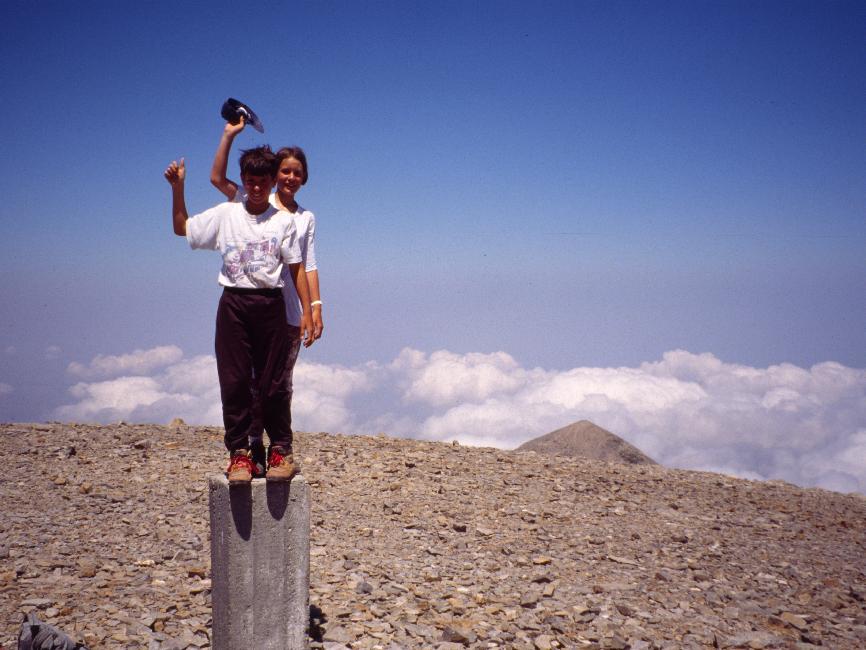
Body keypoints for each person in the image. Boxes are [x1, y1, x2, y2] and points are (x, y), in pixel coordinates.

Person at [164, 146, 313, 483]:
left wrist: (305, 310)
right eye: (250, 181)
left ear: (272, 181)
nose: (257, 188)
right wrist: (177, 188)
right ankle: (240, 455)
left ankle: (280, 451)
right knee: (234, 381)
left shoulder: (285, 222)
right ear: (244, 181)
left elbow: (296, 269)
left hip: (271, 305)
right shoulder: (226, 214)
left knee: (273, 383)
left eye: (263, 181)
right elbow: (181, 228)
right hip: (234, 305)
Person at [210, 118, 322, 476]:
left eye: (297, 173)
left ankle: (277, 450)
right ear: (276, 175)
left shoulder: (305, 219)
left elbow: (308, 266)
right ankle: (250, 450)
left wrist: (313, 309)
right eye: (285, 171)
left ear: (304, 178)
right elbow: (217, 179)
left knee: (277, 385)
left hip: (287, 314)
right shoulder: (252, 201)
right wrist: (229, 135)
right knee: (248, 381)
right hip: (256, 309)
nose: (290, 178)